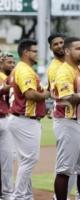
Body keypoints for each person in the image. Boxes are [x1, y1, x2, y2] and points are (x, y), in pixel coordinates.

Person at [7, 39, 50, 200]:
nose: (37, 53)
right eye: (34, 51)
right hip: (25, 119)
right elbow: (30, 94)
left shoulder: (19, 69)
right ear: (26, 52)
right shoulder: (25, 70)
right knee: (30, 160)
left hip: (19, 118)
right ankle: (18, 196)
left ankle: (25, 195)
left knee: (26, 160)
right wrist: (46, 94)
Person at [53, 37, 80, 200]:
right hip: (67, 122)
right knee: (64, 170)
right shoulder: (64, 71)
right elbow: (67, 98)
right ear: (67, 51)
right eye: (77, 48)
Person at [0, 52, 15, 200]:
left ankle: (7, 194)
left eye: (12, 62)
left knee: (7, 161)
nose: (11, 64)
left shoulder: (7, 77)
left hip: (6, 119)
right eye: (6, 61)